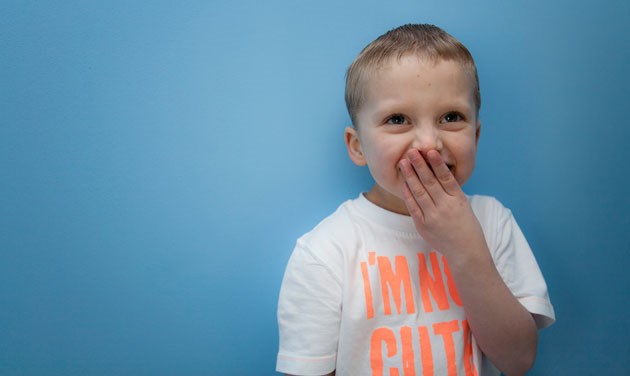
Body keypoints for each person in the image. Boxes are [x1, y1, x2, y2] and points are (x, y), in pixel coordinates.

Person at [276, 24, 555, 376]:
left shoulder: (493, 222)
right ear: (357, 146)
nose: (428, 143)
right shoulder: (325, 252)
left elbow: (518, 361)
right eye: (398, 119)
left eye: (451, 117)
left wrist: (465, 245)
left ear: (477, 135)